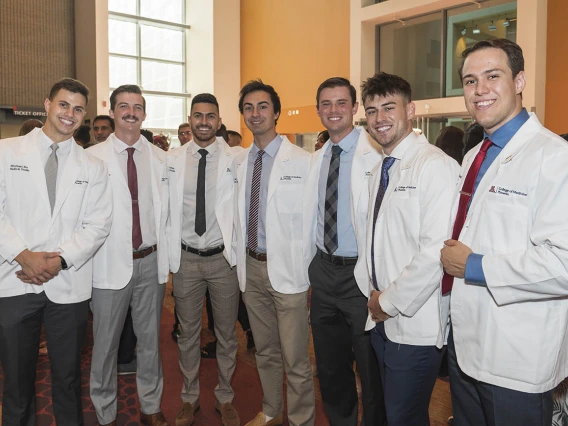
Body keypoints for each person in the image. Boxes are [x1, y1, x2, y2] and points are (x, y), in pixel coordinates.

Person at [440, 38, 568, 426]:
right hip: (465, 348)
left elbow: (563, 263)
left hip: (516, 358)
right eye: (469, 80)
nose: (479, 90)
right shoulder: (474, 155)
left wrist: (473, 266)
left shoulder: (553, 157)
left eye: (492, 76)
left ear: (519, 81)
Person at [0, 77, 112, 426]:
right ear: (47, 105)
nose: (70, 113)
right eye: (64, 104)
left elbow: (98, 224)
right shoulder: (6, 152)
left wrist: (59, 260)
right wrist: (24, 255)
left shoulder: (93, 166)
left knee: (66, 380)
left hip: (68, 284)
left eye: (78, 109)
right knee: (16, 383)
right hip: (15, 280)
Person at [362, 72, 459, 426]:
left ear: (411, 110)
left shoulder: (436, 167)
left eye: (389, 107)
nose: (380, 119)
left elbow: (436, 252)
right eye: (372, 111)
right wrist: (374, 301)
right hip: (380, 319)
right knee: (396, 415)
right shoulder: (380, 169)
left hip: (413, 323)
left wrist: (386, 303)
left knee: (404, 417)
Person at [232, 80, 315, 426]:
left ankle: (300, 420)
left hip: (289, 272)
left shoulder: (304, 161)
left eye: (263, 106)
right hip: (251, 267)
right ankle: (271, 410)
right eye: (248, 108)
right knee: (264, 350)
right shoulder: (239, 162)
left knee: (296, 358)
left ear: (276, 112)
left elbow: (311, 222)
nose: (256, 113)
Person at [303, 77, 385, 426]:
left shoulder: (377, 155)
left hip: (361, 275)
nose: (333, 110)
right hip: (323, 272)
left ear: (354, 109)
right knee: (331, 365)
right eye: (326, 103)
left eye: (341, 103)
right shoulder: (317, 158)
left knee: (370, 367)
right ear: (319, 109)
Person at [88, 84, 170, 426]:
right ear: (112, 112)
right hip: (109, 263)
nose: (131, 112)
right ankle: (105, 411)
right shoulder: (92, 158)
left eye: (137, 107)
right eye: (124, 106)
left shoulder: (162, 159)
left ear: (144, 114)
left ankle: (150, 406)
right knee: (105, 346)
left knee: (150, 342)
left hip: (150, 262)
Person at [167, 93, 241, 426]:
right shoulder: (171, 159)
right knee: (188, 334)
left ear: (219, 120)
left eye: (210, 116)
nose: (204, 122)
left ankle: (225, 397)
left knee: (226, 334)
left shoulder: (235, 157)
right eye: (198, 115)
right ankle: (189, 397)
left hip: (222, 260)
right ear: (190, 118)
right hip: (185, 260)